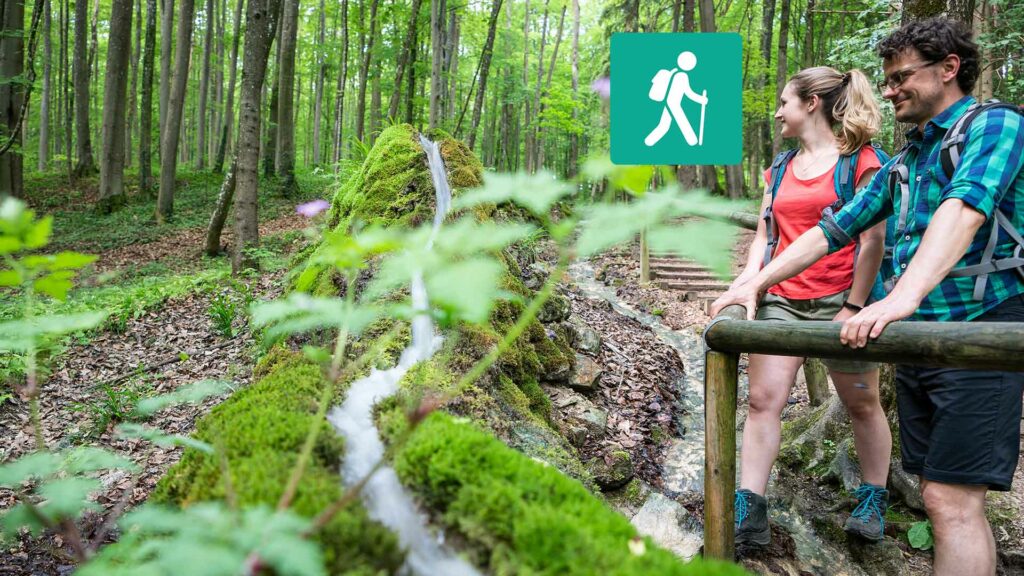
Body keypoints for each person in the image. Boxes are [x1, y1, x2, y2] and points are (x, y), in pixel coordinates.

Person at [711, 18, 1024, 576]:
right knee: (936, 494)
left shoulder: (995, 125)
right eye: (887, 78)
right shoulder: (906, 161)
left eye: (901, 76)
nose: (888, 89)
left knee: (954, 502)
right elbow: (833, 228)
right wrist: (754, 283)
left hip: (980, 331)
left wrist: (895, 297)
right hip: (919, 342)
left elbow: (966, 208)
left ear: (949, 69)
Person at [730, 66, 892, 547]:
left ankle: (872, 500)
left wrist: (854, 305)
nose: (778, 112)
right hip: (783, 300)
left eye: (785, 102)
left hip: (842, 302)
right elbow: (764, 234)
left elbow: (873, 238)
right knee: (762, 401)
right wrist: (747, 285)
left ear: (812, 104)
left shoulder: (862, 161)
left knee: (862, 403)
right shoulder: (779, 167)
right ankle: (749, 509)